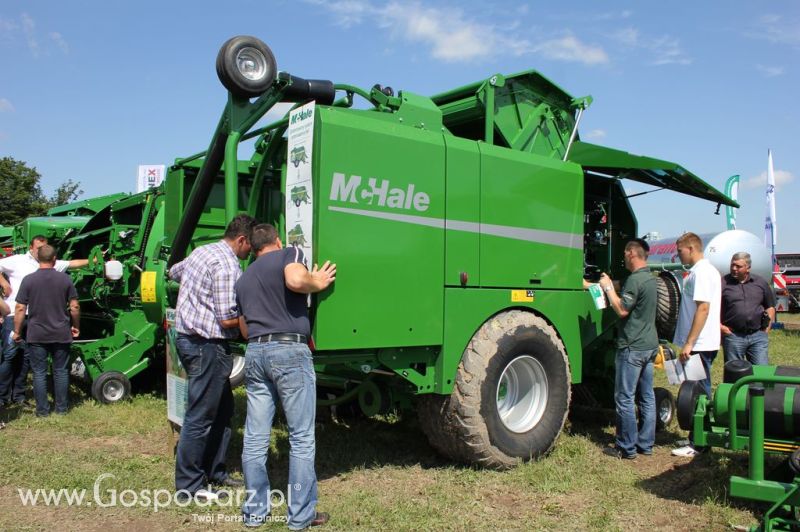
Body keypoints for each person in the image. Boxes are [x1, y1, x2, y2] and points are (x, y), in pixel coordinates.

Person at [236, 224, 335, 529]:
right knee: (301, 437)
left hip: (255, 352)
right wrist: (316, 281)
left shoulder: (244, 278)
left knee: (254, 438)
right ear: (277, 241)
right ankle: (301, 516)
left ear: (253, 247)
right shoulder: (288, 253)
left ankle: (254, 513)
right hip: (289, 351)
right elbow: (295, 280)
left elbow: (243, 328)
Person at [169, 214, 256, 502]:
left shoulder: (201, 251)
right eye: (250, 246)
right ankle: (189, 485)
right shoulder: (227, 264)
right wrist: (256, 320)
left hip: (191, 341)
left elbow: (174, 272)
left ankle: (215, 471)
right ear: (241, 239)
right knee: (201, 416)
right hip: (208, 345)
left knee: (222, 411)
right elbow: (227, 317)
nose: (251, 252)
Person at [0, 236, 88, 407]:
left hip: (34, 317)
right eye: (39, 247)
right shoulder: (17, 260)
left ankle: (18, 396)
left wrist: (94, 260)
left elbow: (73, 263)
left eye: (44, 247)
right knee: (10, 356)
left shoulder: (48, 263)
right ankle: (2, 397)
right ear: (31, 248)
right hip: (14, 314)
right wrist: (4, 283)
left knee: (26, 359)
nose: (41, 250)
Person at [598, 238, 659, 459]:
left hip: (632, 347)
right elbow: (622, 287)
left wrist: (606, 288)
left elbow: (622, 309)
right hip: (649, 345)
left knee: (624, 397)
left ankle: (626, 447)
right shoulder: (650, 279)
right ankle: (646, 444)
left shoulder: (635, 280)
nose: (623, 258)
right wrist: (597, 284)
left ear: (632, 253)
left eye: (624, 254)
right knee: (646, 397)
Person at [12, 245, 79, 417]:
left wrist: (17, 331)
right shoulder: (65, 279)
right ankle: (62, 409)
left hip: (37, 333)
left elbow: (20, 308)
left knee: (39, 373)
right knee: (61, 371)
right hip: (61, 332)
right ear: (54, 258)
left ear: (38, 258)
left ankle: (42, 411)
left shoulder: (28, 280)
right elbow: (74, 306)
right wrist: (76, 325)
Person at [671, 232, 721, 458]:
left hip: (700, 343)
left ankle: (699, 443)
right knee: (696, 391)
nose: (678, 254)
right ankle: (697, 436)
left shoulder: (702, 273)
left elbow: (703, 308)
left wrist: (690, 343)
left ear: (691, 248)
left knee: (699, 393)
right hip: (698, 342)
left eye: (680, 250)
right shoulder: (698, 273)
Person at [720, 252, 775, 365]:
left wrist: (766, 329)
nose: (734, 268)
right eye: (732, 265)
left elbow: (770, 306)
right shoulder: (722, 283)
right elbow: (712, 309)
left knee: (761, 372)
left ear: (748, 268)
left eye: (738, 266)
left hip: (758, 336)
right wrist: (722, 328)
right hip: (733, 336)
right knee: (735, 373)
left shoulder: (760, 283)